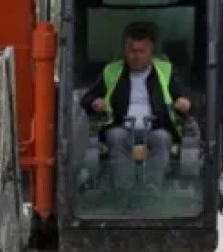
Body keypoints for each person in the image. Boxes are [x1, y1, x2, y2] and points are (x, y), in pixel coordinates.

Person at [79, 21, 192, 189]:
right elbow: (87, 98)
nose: (136, 56)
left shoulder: (165, 71)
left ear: (151, 52)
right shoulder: (112, 71)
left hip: (156, 127)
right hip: (121, 126)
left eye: (141, 51)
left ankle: (153, 188)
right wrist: (95, 102)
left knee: (162, 139)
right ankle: (124, 190)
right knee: (116, 137)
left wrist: (184, 103)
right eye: (132, 51)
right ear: (125, 50)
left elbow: (185, 97)